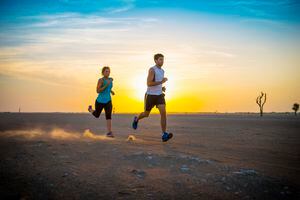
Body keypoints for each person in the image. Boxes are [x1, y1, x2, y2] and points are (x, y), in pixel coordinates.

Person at [132, 53, 173, 142]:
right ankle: (136, 118)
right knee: (146, 114)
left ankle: (164, 134)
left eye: (163, 59)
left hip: (159, 95)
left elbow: (157, 83)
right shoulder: (152, 70)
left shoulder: (162, 71)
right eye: (160, 59)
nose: (162, 61)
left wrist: (161, 87)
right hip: (150, 96)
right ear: (155, 60)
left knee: (163, 112)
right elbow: (149, 83)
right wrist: (161, 81)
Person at [88, 66, 115, 137]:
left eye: (109, 71)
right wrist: (106, 84)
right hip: (100, 101)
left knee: (108, 115)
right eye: (106, 71)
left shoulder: (110, 79)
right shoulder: (101, 80)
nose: (108, 73)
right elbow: (98, 91)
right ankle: (90, 110)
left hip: (108, 101)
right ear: (103, 73)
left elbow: (108, 88)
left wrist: (111, 91)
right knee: (97, 115)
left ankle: (109, 132)